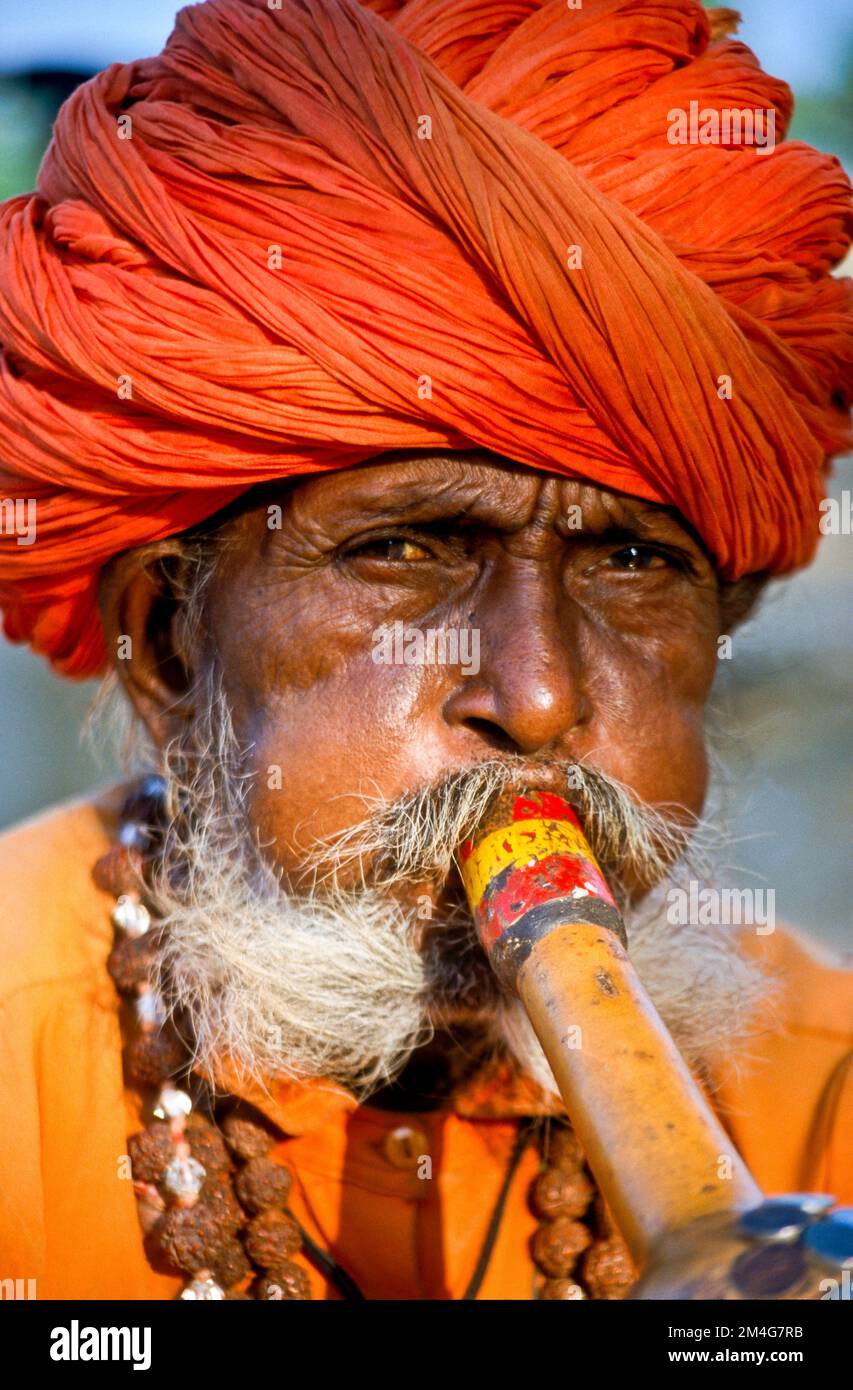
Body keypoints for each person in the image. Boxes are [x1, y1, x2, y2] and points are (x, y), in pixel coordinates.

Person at [0, 0, 850, 1301]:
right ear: (167, 645)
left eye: (631, 564)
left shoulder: (825, 1091)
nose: (542, 696)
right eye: (406, 550)